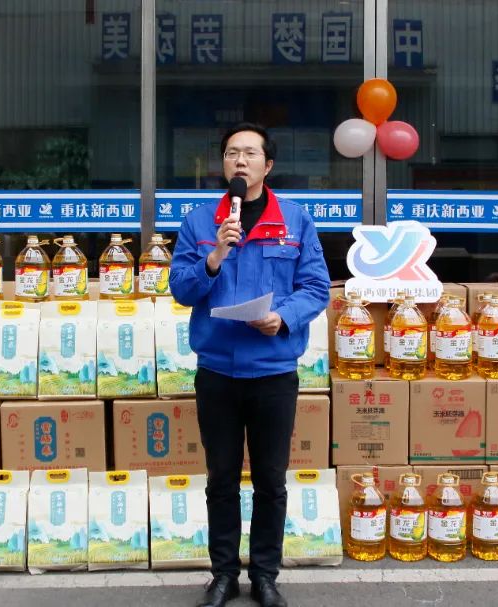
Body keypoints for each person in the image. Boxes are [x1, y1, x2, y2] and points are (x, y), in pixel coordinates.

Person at [170, 123, 330, 607]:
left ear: (268, 164)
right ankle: (223, 575)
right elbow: (181, 289)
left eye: (250, 153)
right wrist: (215, 256)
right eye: (231, 153)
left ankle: (264, 575)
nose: (240, 160)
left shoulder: (295, 220)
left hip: (273, 372)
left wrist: (284, 317)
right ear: (223, 164)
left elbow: (316, 287)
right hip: (217, 371)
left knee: (270, 481)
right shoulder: (200, 222)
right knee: (220, 479)